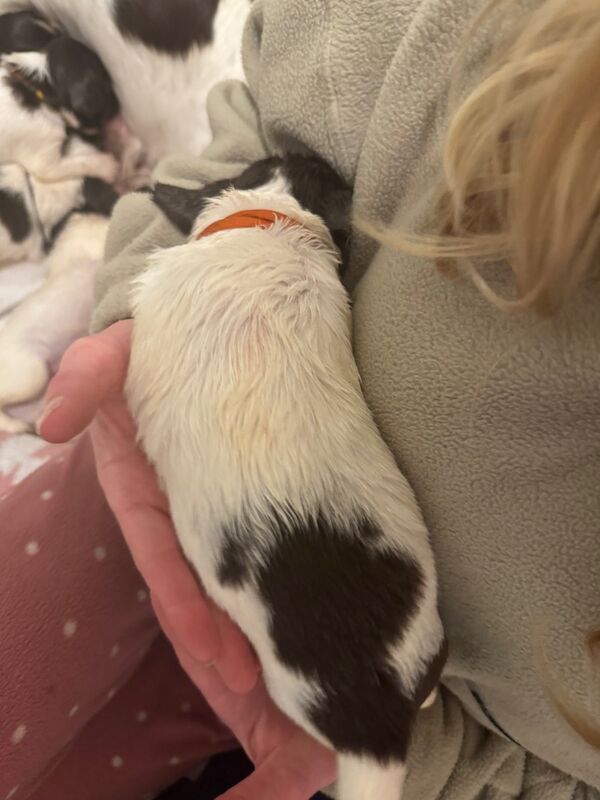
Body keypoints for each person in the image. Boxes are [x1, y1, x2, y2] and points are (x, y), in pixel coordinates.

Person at [3, 0, 599, 797]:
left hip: (355, 719)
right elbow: (267, 124)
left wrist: (416, 751)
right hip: (169, 462)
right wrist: (159, 290)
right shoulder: (470, 28)